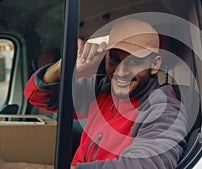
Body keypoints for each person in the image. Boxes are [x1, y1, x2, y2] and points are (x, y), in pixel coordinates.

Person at [24, 19, 187, 169]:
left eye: (134, 61)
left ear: (154, 64)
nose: (121, 71)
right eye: (114, 59)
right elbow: (36, 96)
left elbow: (146, 164)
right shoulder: (101, 90)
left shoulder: (164, 110)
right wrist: (64, 64)